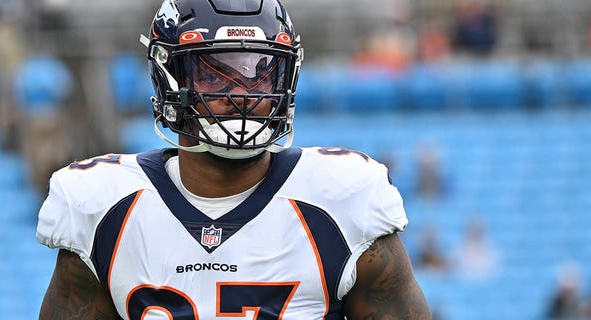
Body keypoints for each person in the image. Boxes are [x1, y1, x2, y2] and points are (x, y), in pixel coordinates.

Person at [36, 0, 431, 319]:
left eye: (262, 72)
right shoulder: (105, 208)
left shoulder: (343, 199)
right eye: (214, 73)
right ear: (168, 77)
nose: (243, 93)